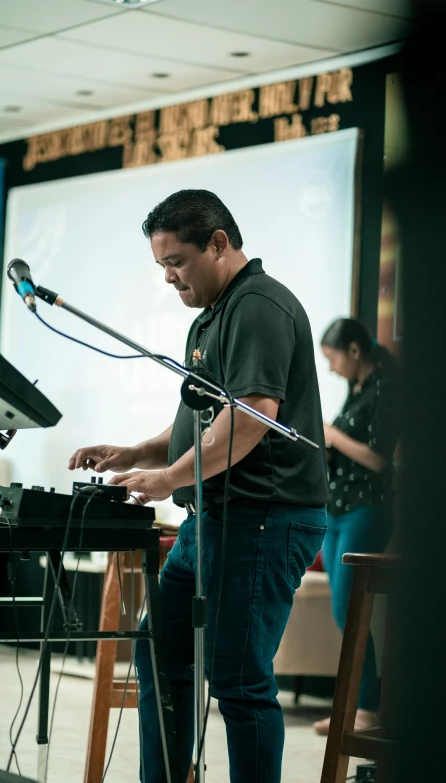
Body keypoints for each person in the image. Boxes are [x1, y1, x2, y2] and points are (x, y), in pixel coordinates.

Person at [69, 190, 329, 783]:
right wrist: (137, 451)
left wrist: (165, 478)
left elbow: (251, 419)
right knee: (161, 657)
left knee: (237, 679)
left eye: (176, 262)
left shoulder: (260, 305)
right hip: (210, 520)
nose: (168, 278)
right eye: (161, 266)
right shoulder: (213, 315)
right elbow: (202, 422)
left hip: (262, 518)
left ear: (219, 243)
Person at [313, 318, 399, 736]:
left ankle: (366, 706)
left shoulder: (384, 387)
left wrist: (332, 435)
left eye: (332, 359)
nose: (330, 369)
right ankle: (357, 703)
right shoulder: (358, 390)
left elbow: (379, 460)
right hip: (338, 509)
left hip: (366, 509)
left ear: (353, 351)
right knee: (342, 608)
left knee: (351, 608)